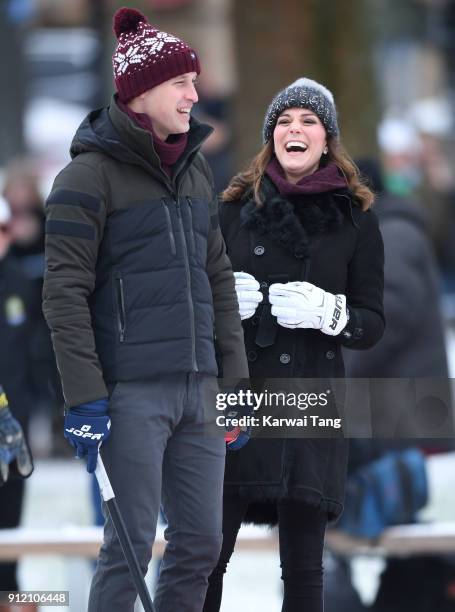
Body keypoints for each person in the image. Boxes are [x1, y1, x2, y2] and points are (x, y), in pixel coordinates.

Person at [42, 7, 248, 612]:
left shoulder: (195, 174)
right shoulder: (86, 178)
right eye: (182, 82)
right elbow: (64, 294)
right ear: (142, 92)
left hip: (200, 391)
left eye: (193, 81)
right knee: (129, 545)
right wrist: (85, 398)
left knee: (201, 545)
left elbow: (218, 278)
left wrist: (233, 384)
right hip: (131, 394)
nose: (194, 94)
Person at [202, 78, 385, 612]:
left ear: (327, 139)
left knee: (304, 567)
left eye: (308, 121)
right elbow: (189, 300)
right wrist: (218, 306)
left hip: (311, 401)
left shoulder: (357, 218)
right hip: (239, 397)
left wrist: (331, 314)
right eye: (284, 122)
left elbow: (372, 321)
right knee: (206, 554)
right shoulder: (233, 209)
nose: (294, 130)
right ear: (270, 137)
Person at [0, 196, 35, 590]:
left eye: (4, 229)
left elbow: (36, 351)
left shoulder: (21, 282)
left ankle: (9, 594)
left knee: (11, 521)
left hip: (14, 422)